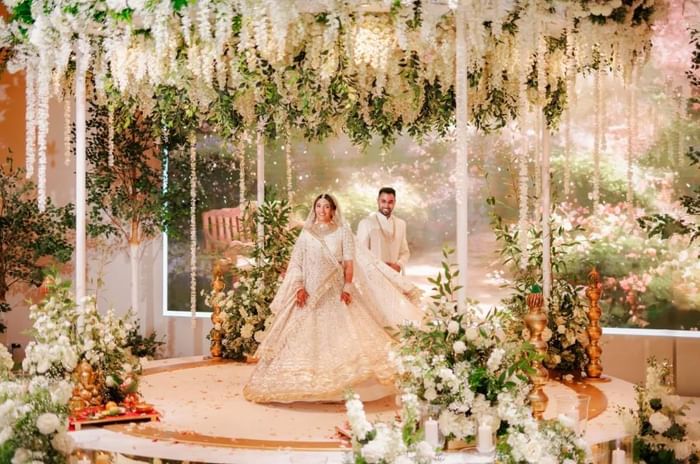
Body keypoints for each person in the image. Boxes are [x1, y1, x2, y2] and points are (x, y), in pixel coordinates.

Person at [243, 193, 423, 404]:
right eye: (318, 206)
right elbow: (297, 264)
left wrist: (347, 287)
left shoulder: (343, 232)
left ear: (333, 210)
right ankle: (305, 387)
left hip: (336, 293)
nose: (322, 210)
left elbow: (348, 263)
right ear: (314, 209)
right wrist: (299, 287)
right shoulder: (306, 234)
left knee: (346, 338)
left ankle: (343, 389)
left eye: (326, 206)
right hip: (308, 294)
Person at [356, 187, 410, 273]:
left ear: (394, 202)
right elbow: (361, 254)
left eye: (390, 202)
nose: (386, 205)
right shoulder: (366, 223)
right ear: (378, 201)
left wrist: (398, 265)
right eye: (383, 201)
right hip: (374, 276)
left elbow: (405, 252)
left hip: (395, 275)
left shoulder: (401, 224)